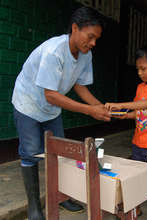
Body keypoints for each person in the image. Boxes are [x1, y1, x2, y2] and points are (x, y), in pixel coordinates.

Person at [12, 7, 111, 220]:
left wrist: (99, 107)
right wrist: (89, 110)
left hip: (51, 107)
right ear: (75, 28)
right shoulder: (54, 51)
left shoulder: (86, 54)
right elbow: (51, 95)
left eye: (96, 39)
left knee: (61, 151)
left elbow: (80, 85)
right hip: (28, 103)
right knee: (31, 152)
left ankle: (63, 196)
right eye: (90, 36)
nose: (93, 43)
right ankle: (34, 208)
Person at [105, 45, 147, 220]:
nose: (140, 73)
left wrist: (120, 105)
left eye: (144, 69)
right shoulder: (140, 87)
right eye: (138, 69)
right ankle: (136, 209)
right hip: (138, 142)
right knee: (136, 178)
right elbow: (139, 112)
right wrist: (124, 116)